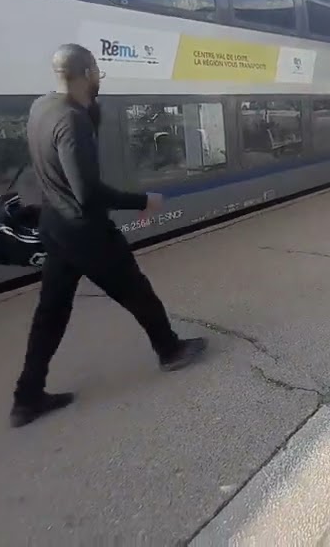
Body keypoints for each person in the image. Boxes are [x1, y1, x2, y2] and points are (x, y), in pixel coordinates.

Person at [11, 43, 207, 428]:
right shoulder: (72, 120)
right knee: (137, 292)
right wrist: (143, 201)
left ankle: (27, 396)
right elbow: (87, 192)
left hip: (55, 229)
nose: (99, 78)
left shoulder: (41, 107)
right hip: (86, 233)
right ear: (87, 73)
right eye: (97, 71)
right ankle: (170, 351)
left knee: (50, 314)